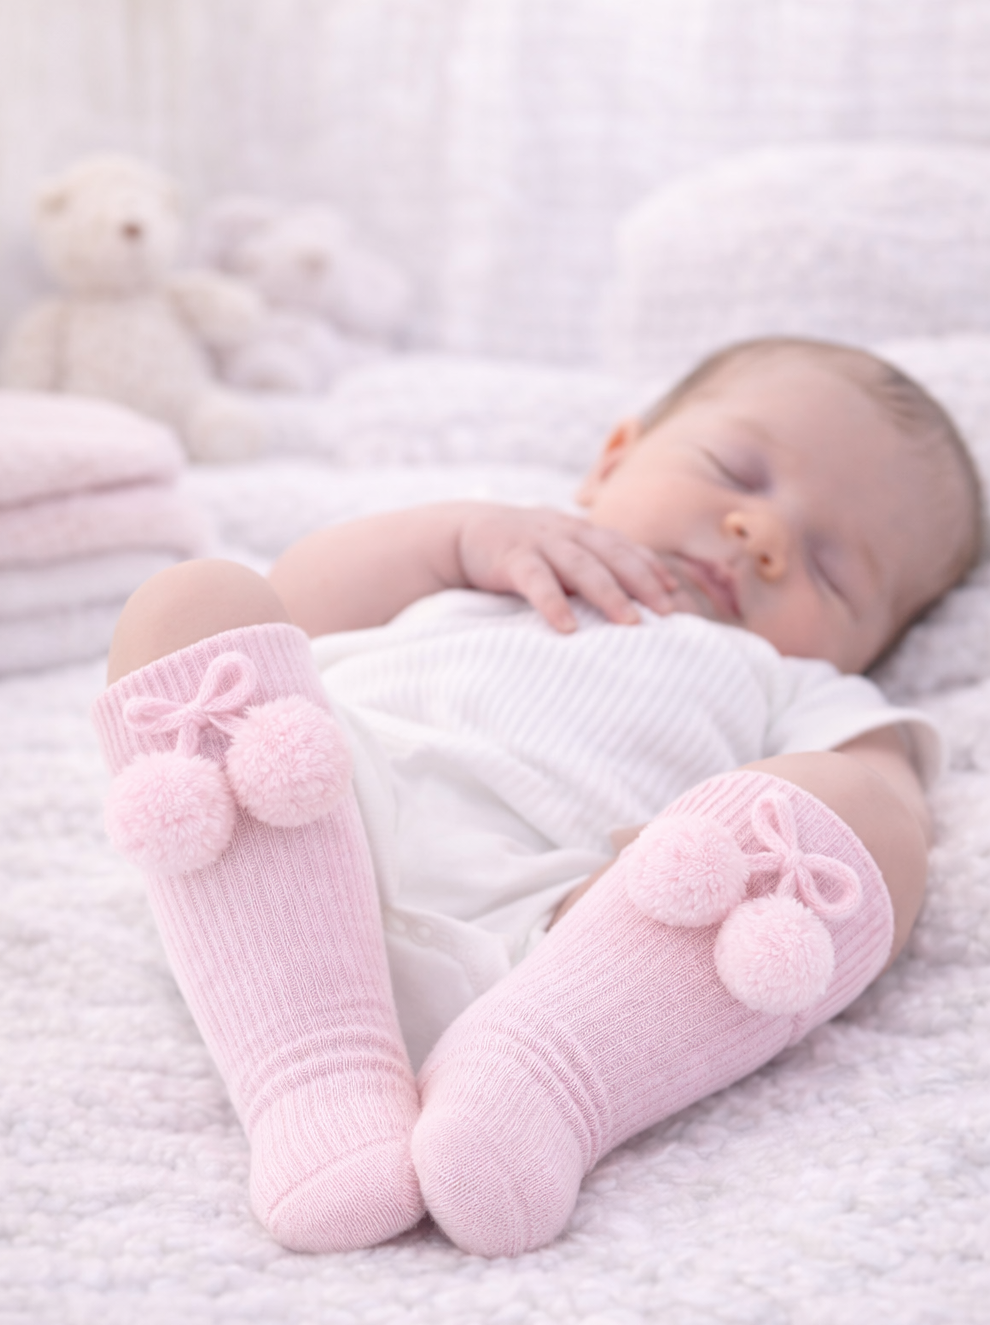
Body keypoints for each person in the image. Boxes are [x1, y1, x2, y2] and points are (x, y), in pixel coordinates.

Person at [92, 337, 983, 1258]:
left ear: (868, 646)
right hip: (293, 855)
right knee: (190, 604)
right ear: (612, 461)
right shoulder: (495, 558)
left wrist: (702, 848)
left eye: (833, 570)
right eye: (736, 471)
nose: (764, 536)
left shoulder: (790, 681)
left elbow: (880, 811)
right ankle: (311, 1073)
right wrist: (459, 537)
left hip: (558, 942)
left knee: (853, 818)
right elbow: (292, 604)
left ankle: (534, 1077)